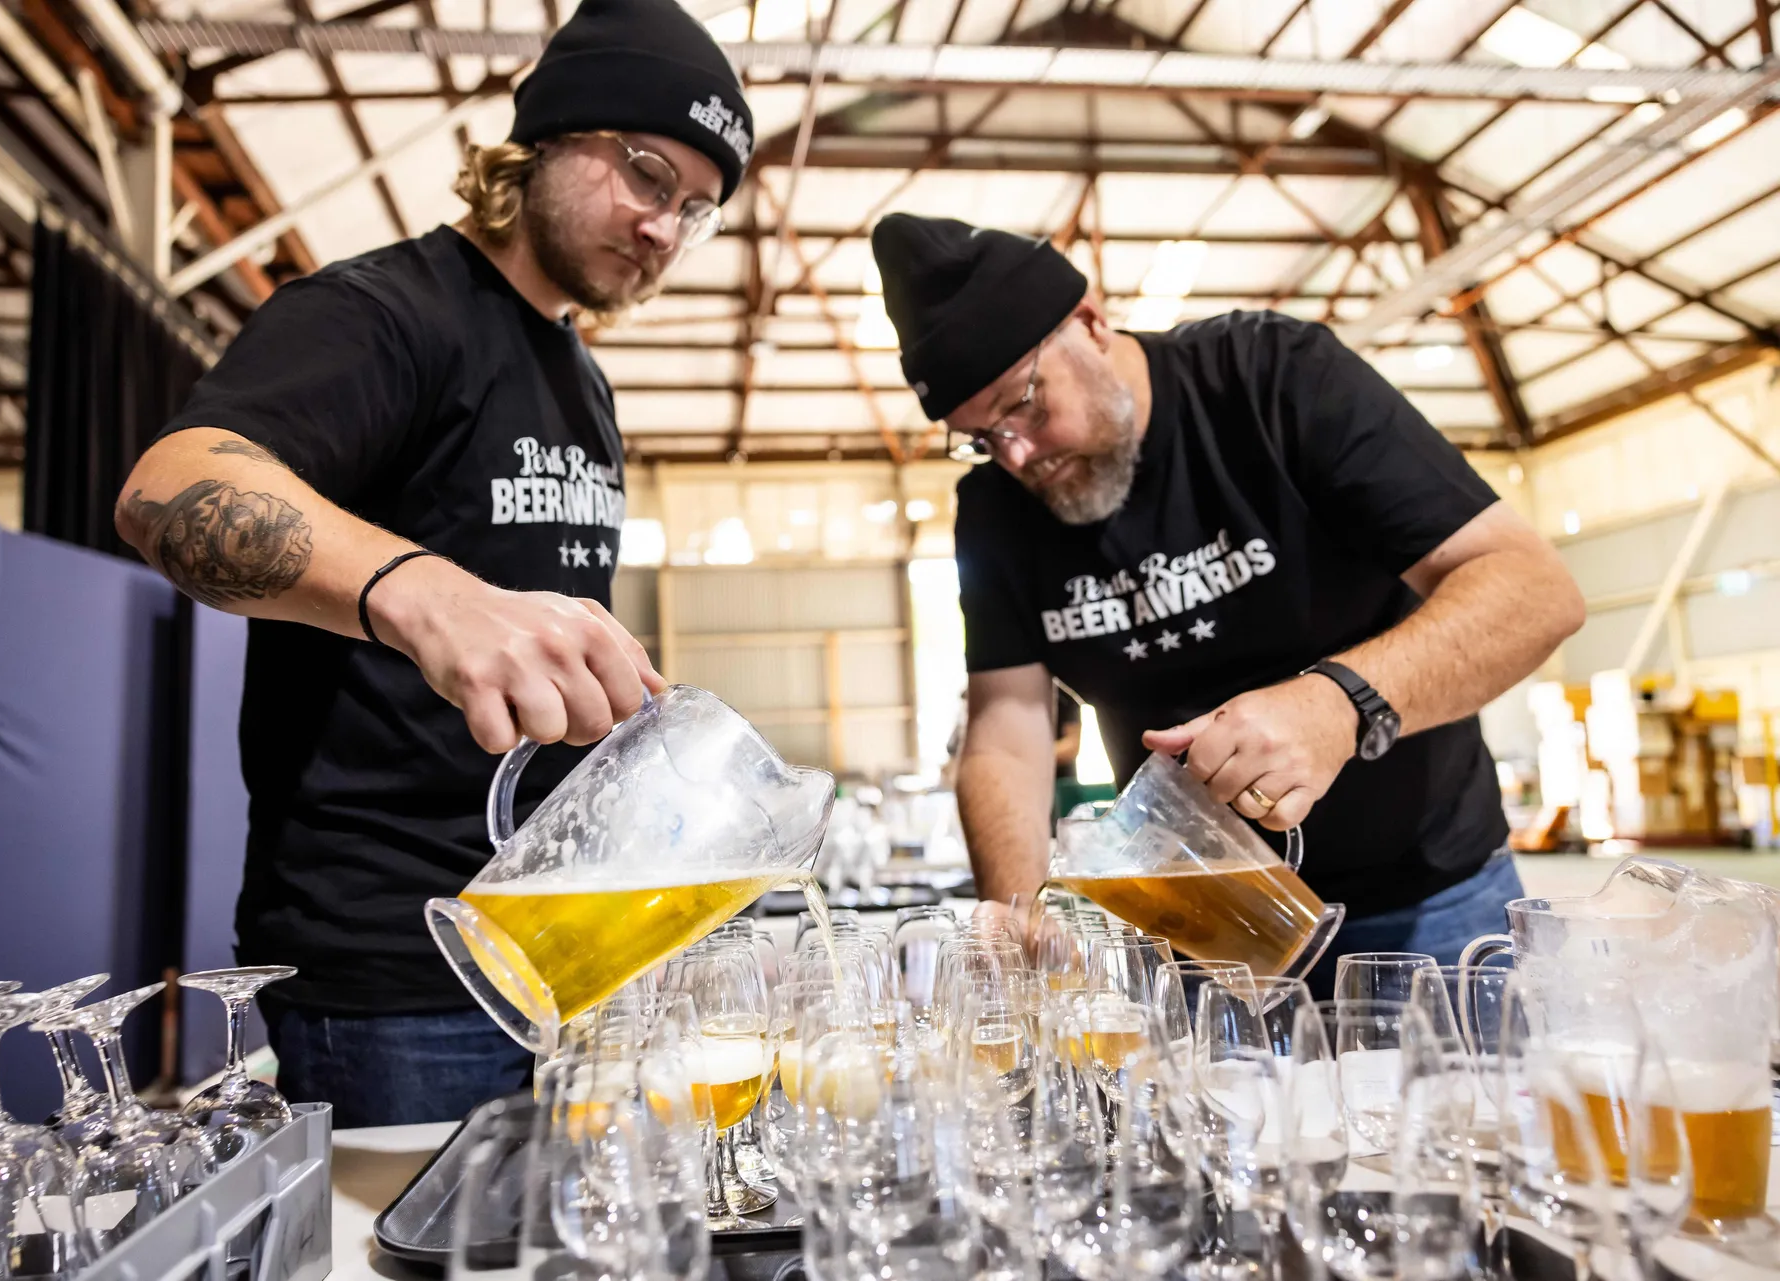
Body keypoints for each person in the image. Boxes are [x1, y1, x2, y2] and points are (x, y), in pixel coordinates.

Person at [112, 0, 753, 1124]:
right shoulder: (384, 314)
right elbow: (169, 486)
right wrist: (424, 594)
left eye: (696, 211)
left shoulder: (579, 379)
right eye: (647, 174)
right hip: (396, 971)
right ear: (545, 139)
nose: (664, 228)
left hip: (555, 941)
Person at [869, 214, 1586, 994]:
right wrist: (1020, 909)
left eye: (1026, 406)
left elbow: (1532, 587)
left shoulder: (1273, 379)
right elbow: (1008, 723)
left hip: (1426, 911)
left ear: (1090, 321)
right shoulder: (996, 509)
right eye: (980, 438)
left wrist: (1339, 704)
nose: (1018, 455)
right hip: (1192, 931)